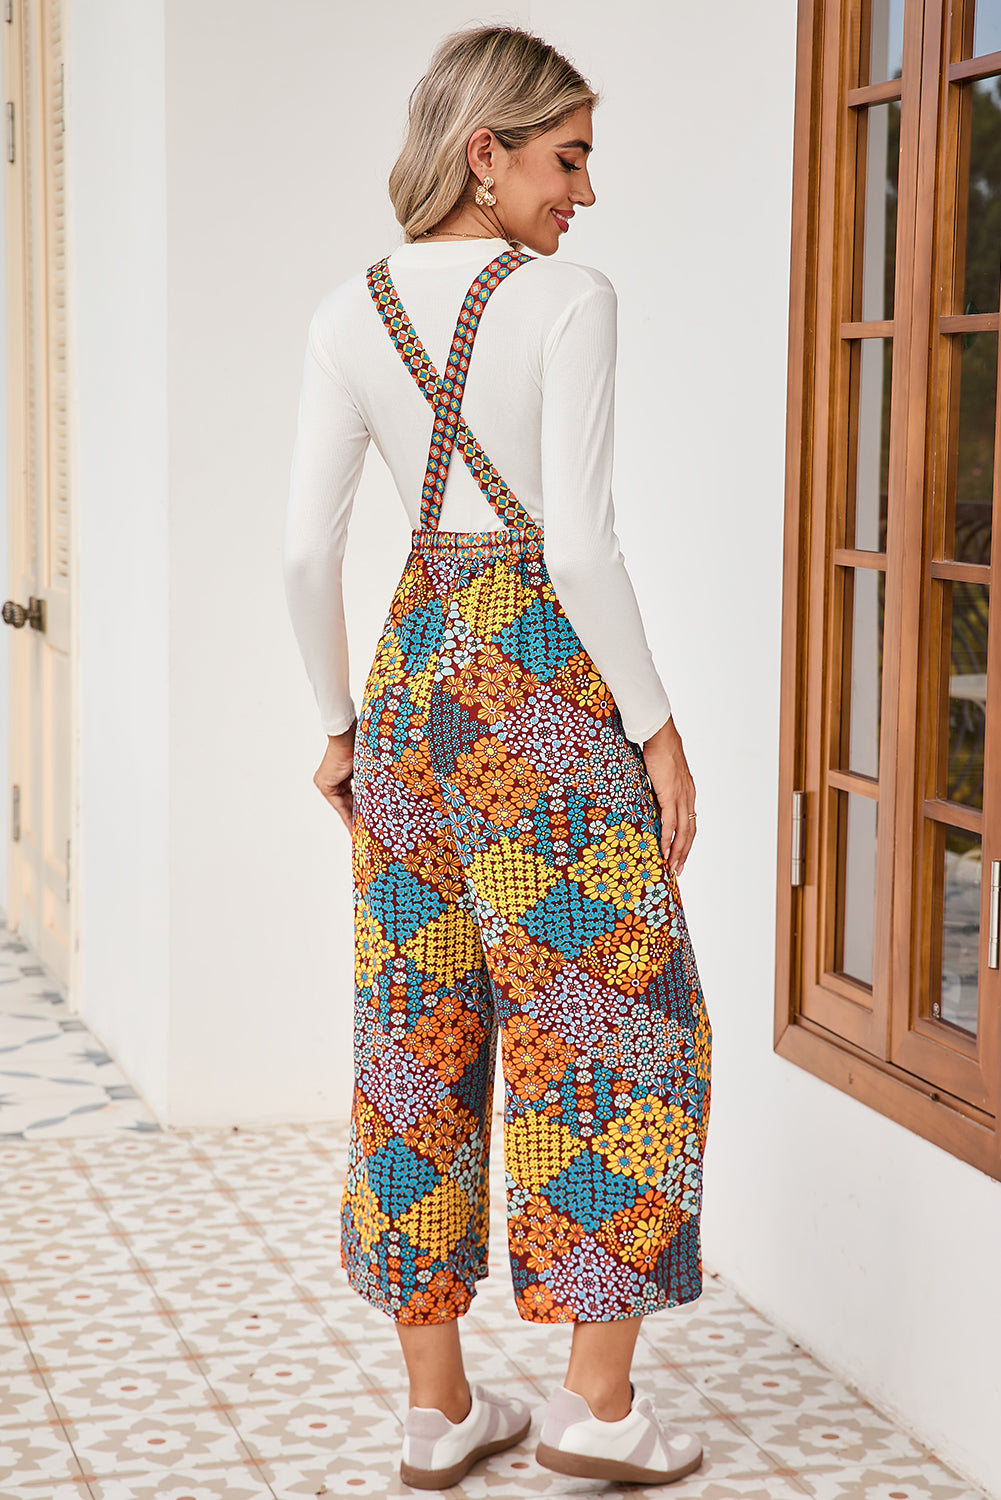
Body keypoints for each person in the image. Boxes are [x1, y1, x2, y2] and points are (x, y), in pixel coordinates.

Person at [283, 22, 711, 1491]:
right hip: (538, 699)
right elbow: (579, 546)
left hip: (406, 698)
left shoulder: (347, 310)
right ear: (487, 151)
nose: (581, 195)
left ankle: (437, 1412)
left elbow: (300, 549)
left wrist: (337, 724)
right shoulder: (566, 298)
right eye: (565, 158)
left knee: (415, 1036)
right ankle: (596, 1412)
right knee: (611, 1028)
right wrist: (655, 729)